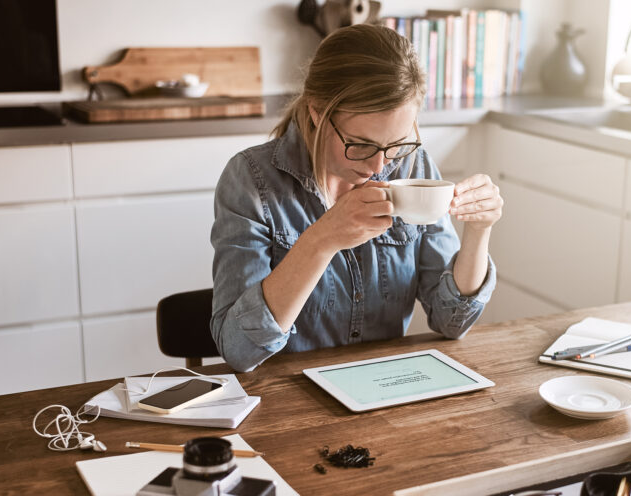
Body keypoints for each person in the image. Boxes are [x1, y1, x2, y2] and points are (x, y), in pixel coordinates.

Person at [210, 24, 503, 372]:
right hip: (287, 401)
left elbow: (451, 321)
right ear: (318, 112)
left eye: (395, 144)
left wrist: (478, 231)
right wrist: (322, 240)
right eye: (361, 144)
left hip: (386, 388)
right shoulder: (251, 180)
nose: (380, 165)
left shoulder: (412, 165)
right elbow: (239, 350)